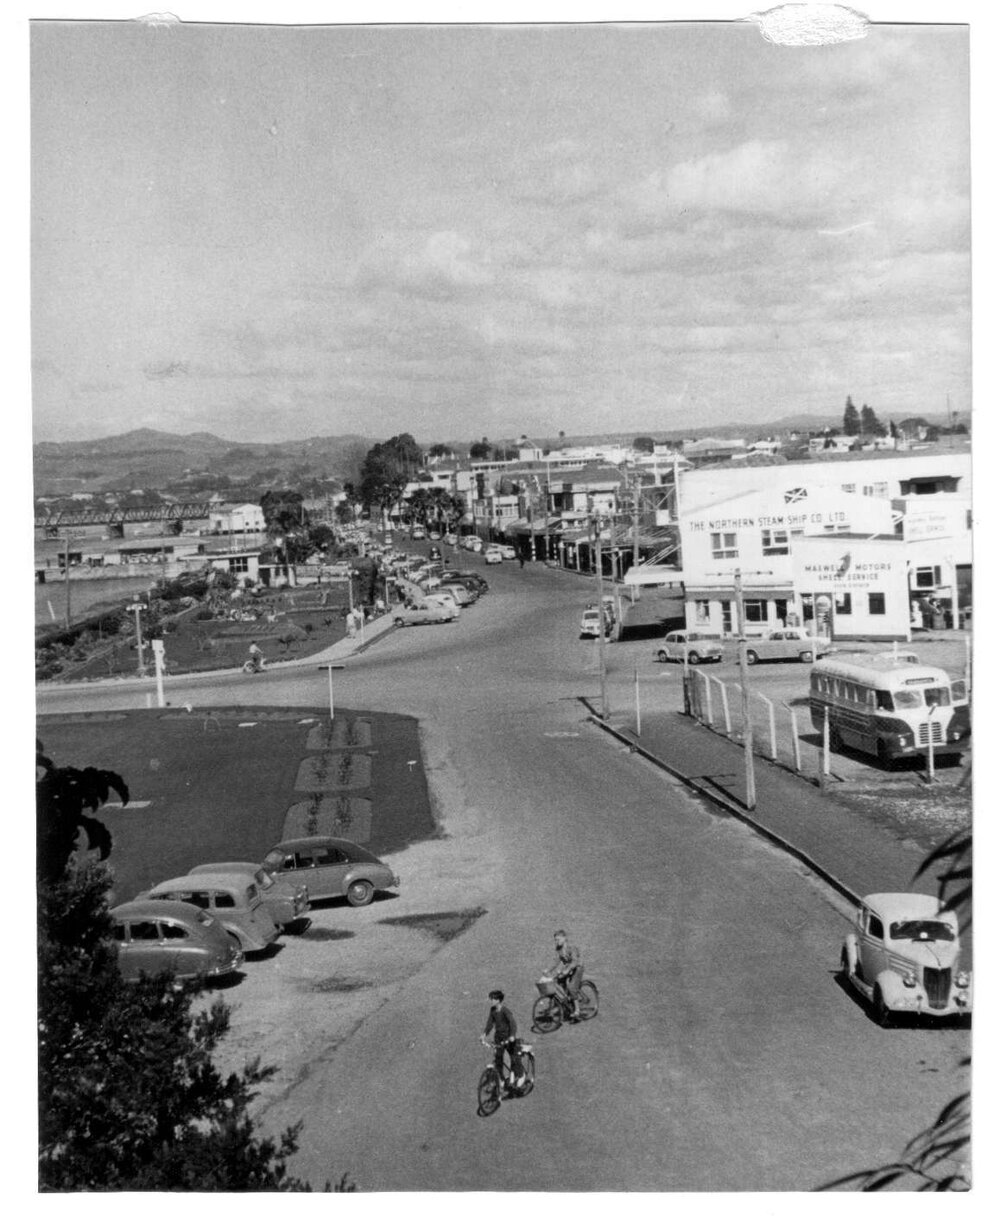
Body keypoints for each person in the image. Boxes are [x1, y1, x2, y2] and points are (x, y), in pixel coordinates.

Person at [479, 989, 526, 1091]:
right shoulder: (493, 1010)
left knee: (514, 1058)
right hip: (498, 1038)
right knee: (498, 1059)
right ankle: (501, 1079)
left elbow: (512, 1023)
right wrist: (484, 1034)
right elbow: (490, 1024)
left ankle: (521, 1075)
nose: (492, 1000)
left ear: (499, 1000)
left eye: (494, 999)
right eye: (491, 998)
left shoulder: (505, 1011)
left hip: (508, 1038)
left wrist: (512, 1035)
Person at [550, 929, 582, 1020]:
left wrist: (567, 970)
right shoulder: (558, 948)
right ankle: (566, 1003)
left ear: (564, 938)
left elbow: (575, 961)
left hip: (577, 967)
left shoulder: (571, 947)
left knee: (571, 987)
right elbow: (556, 961)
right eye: (555, 940)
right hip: (568, 967)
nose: (556, 941)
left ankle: (577, 1011)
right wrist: (548, 970)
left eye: (558, 939)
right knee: (558, 980)